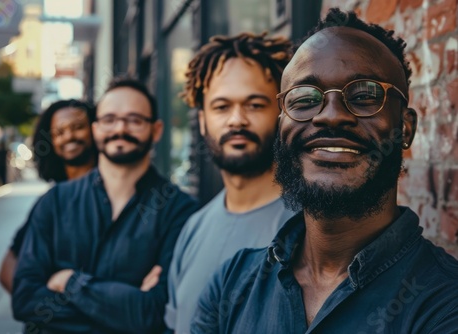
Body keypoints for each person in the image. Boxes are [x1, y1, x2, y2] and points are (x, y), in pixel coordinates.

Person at [191, 8, 458, 334]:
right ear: (282, 125)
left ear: (405, 127)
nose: (331, 116)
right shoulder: (230, 285)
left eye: (364, 96)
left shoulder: (444, 303)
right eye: (304, 99)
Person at [11, 77, 198, 334]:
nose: (120, 129)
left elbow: (154, 313)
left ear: (156, 130)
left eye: (134, 120)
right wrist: (122, 310)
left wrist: (70, 281)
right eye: (109, 119)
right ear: (96, 129)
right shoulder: (54, 202)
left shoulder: (180, 211)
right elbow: (24, 300)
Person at [164, 32, 296, 334]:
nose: (237, 120)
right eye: (221, 107)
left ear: (282, 114)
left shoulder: (312, 227)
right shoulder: (193, 229)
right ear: (202, 120)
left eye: (255, 105)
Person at [0, 99, 97, 293]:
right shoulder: (51, 202)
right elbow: (7, 269)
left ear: (95, 129)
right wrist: (38, 306)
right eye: (58, 132)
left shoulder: (115, 190)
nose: (69, 136)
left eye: (77, 127)